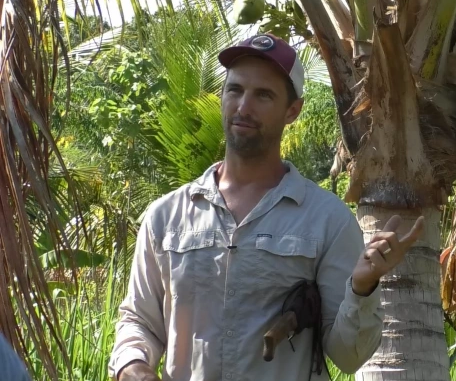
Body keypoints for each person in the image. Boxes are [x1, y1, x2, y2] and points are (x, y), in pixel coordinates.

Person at [108, 33, 424, 381]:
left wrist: (363, 287)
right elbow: (139, 320)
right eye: (235, 90)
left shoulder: (326, 221)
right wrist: (132, 367)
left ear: (292, 110)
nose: (244, 106)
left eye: (263, 95)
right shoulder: (166, 217)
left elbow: (349, 356)